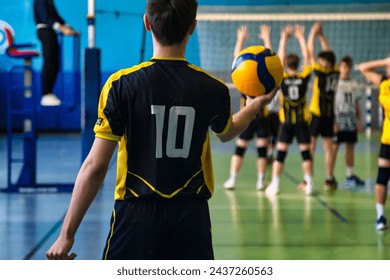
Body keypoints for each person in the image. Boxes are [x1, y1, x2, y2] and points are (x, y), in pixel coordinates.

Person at [46, 0, 278, 260]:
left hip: (135, 216)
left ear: (147, 23)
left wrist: (67, 234)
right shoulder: (213, 88)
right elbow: (227, 131)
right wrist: (256, 104)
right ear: (193, 26)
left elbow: (95, 167)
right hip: (191, 219)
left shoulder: (121, 85)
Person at [265, 25, 314, 196]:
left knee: (280, 154)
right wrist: (301, 37)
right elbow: (308, 57)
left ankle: (275, 185)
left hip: (286, 123)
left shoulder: (282, 77)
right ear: (298, 63)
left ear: (286, 64)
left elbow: (279, 59)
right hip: (301, 123)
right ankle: (310, 184)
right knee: (306, 154)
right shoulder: (304, 77)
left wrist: (284, 38)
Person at [223, 24, 273, 191]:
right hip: (255, 115)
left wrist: (240, 40)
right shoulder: (264, 79)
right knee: (254, 148)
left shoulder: (244, 77)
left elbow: (236, 60)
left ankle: (241, 180)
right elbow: (271, 62)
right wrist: (266, 39)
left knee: (247, 148)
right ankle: (247, 180)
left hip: (250, 115)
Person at [358, 55, 390, 231]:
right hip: (387, 140)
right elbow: (363, 67)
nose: (387, 69)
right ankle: (380, 217)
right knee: (382, 178)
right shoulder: (384, 82)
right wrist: (384, 61)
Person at [307, 22, 339, 191]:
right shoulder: (336, 71)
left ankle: (308, 179)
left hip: (317, 115)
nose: (319, 60)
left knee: (310, 147)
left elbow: (310, 53)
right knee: (328, 148)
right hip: (329, 115)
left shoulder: (321, 70)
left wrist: (312, 34)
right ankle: (329, 178)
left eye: (321, 59)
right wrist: (322, 35)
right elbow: (330, 54)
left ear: (324, 62)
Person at [33, 0, 78, 106]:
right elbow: (46, 18)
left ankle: (49, 93)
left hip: (51, 32)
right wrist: (62, 28)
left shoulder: (50, 1)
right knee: (49, 62)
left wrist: (69, 28)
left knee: (55, 63)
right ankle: (45, 94)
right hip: (45, 31)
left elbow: (56, 16)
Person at [331, 55, 365, 187]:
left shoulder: (354, 83)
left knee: (350, 147)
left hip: (350, 118)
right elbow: (331, 104)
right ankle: (330, 176)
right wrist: (333, 122)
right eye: (342, 66)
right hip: (338, 118)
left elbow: (356, 105)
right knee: (334, 147)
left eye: (346, 67)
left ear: (350, 68)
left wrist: (360, 121)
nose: (344, 69)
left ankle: (350, 175)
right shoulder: (335, 83)